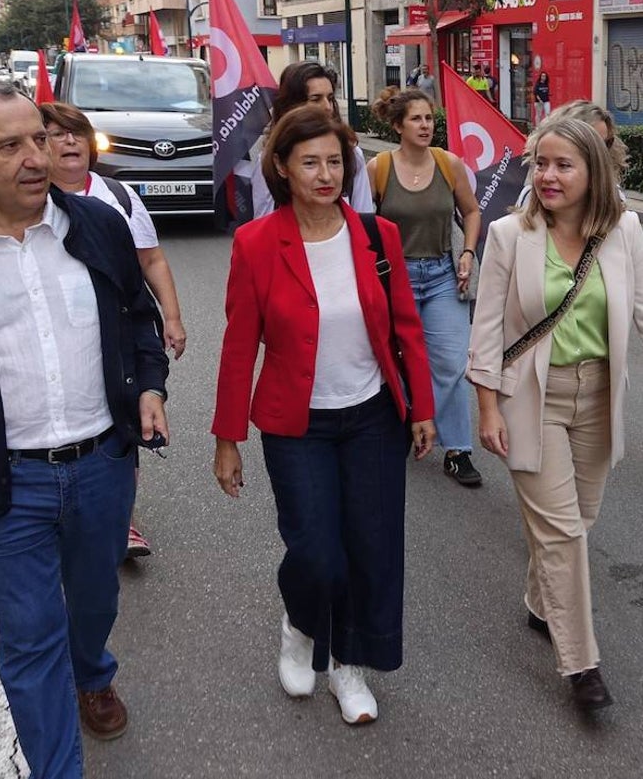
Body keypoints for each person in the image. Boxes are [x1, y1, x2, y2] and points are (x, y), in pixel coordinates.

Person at [0, 80, 169, 776]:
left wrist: (149, 385)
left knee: (93, 600)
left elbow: (138, 317)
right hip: (6, 484)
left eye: (37, 138)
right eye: (9, 145)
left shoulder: (94, 226)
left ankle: (93, 670)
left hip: (102, 465)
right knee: (32, 641)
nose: (36, 157)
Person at [213, 105, 436, 725]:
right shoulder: (257, 243)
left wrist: (420, 408)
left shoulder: (374, 235)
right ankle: (300, 623)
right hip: (296, 424)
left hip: (371, 418)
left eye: (335, 161)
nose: (324, 174)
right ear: (281, 169)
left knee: (370, 547)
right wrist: (227, 437)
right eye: (309, 162)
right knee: (315, 553)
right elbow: (238, 345)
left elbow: (406, 329)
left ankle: (346, 665)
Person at [467, 117, 643, 712]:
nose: (547, 176)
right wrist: (487, 405)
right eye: (540, 163)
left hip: (599, 397)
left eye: (563, 165)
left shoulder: (626, 232)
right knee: (564, 533)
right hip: (529, 397)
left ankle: (543, 602)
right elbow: (487, 328)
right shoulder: (509, 235)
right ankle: (581, 665)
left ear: (593, 171)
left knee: (580, 518)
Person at [40, 101, 186, 559]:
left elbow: (151, 259)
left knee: (124, 422)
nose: (69, 142)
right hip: (57, 339)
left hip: (117, 336)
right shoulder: (25, 203)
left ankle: (123, 521)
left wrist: (173, 317)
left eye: (76, 133)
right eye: (56, 135)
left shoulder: (118, 197)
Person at [367, 87, 483, 486]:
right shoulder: (378, 168)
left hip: (441, 277)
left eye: (430, 119)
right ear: (398, 125)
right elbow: (364, 228)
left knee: (450, 362)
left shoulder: (449, 164)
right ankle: (404, 426)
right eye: (416, 119)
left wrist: (467, 251)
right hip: (393, 279)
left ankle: (457, 450)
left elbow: (470, 211)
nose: (425, 125)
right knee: (394, 361)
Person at [251, 61, 373, 217]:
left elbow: (363, 216)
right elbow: (262, 221)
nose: (327, 107)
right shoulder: (270, 159)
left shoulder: (352, 154)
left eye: (330, 98)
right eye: (316, 99)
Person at [515, 99, 628, 208]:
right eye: (541, 163)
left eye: (604, 144)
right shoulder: (528, 199)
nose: (598, 151)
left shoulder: (616, 203)